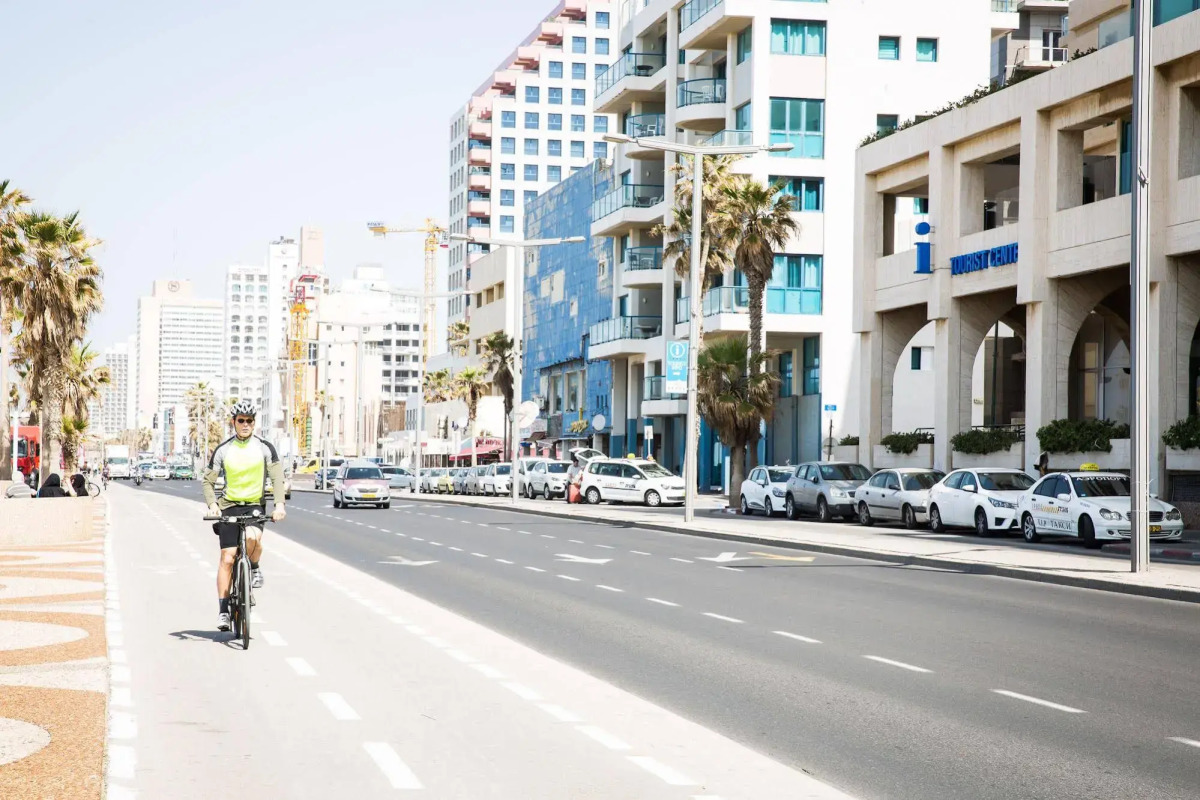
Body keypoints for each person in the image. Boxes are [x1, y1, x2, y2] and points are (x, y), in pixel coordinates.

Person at [202, 400, 286, 632]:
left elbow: (277, 478)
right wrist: (213, 505)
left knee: (252, 538)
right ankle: (223, 611)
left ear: (254, 423)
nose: (246, 424)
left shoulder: (265, 447)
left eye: (250, 421)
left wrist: (279, 504)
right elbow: (208, 481)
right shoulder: (223, 449)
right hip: (229, 506)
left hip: (254, 505)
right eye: (241, 421)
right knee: (227, 558)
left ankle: (255, 567)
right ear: (234, 422)